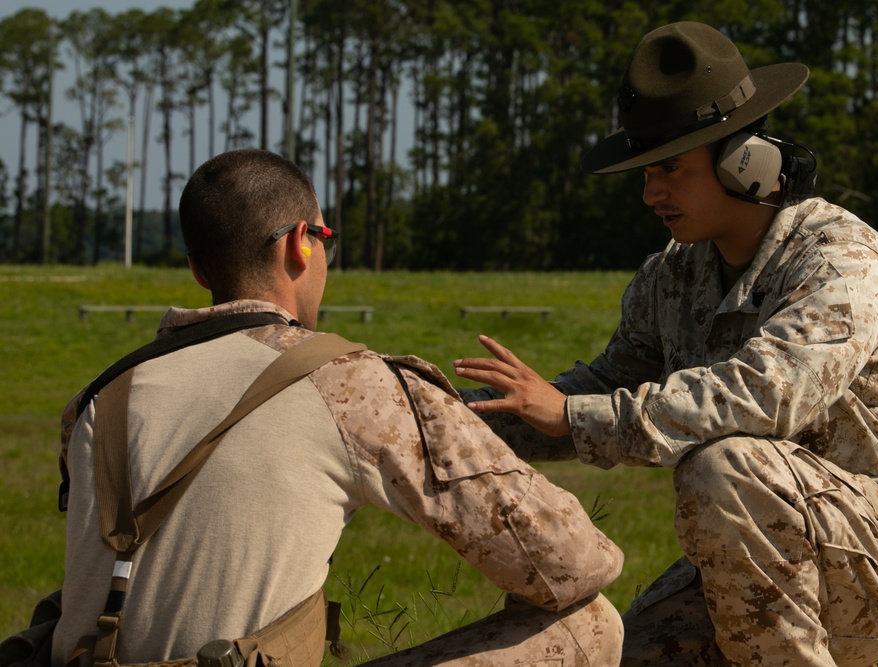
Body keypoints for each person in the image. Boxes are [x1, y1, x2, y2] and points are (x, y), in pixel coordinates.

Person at [453, 21, 878, 667]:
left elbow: (765, 397)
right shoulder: (671, 276)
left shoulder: (841, 260)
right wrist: (449, 418)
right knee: (633, 652)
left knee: (724, 465)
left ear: (745, 162)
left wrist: (573, 417)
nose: (651, 193)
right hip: (768, 543)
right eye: (645, 173)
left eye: (670, 170)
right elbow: (602, 386)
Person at [50, 148, 624, 666]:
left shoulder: (99, 399)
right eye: (325, 236)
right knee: (588, 623)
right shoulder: (344, 380)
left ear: (199, 270)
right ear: (302, 242)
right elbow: (572, 563)